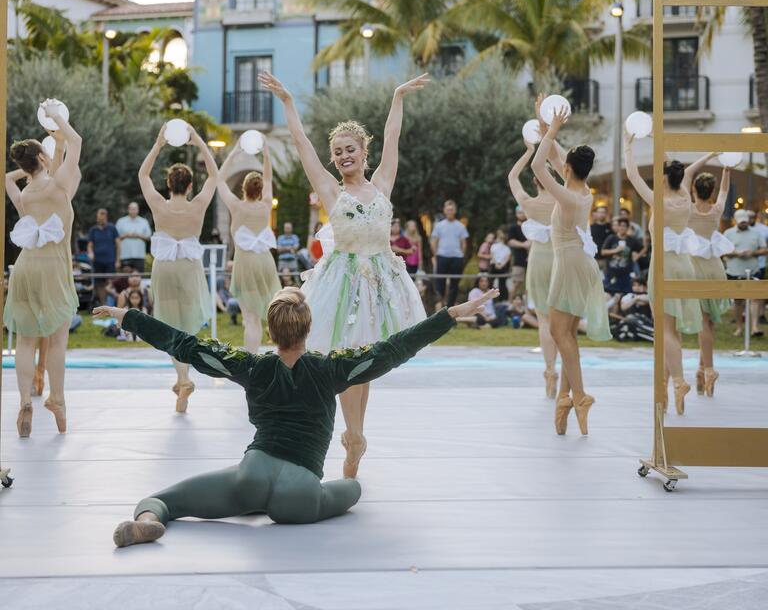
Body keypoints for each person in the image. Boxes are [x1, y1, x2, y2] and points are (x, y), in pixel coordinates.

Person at [94, 286, 495, 548]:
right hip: (301, 492)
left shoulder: (251, 367)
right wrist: (449, 315)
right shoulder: (330, 368)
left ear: (271, 330)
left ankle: (149, 521)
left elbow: (188, 347)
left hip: (251, 475)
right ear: (308, 328)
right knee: (352, 489)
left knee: (161, 500)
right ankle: (293, 495)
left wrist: (128, 317)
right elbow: (390, 351)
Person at [258, 70, 428, 478]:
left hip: (381, 282)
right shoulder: (332, 190)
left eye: (349, 148)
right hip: (343, 281)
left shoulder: (383, 183)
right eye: (337, 151)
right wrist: (288, 103)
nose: (342, 155)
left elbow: (393, 137)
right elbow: (300, 144)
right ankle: (352, 436)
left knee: (365, 360)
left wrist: (398, 96)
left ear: (363, 152)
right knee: (348, 358)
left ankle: (355, 434)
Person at [531, 106, 610, 435]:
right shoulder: (580, 190)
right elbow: (552, 154)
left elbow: (539, 163)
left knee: (558, 333)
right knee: (567, 336)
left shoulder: (566, 196)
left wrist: (551, 129)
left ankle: (579, 394)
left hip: (570, 264)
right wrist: (545, 123)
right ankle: (565, 398)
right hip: (581, 263)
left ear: (567, 168)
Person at [4, 107, 82, 436]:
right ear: (43, 158)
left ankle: (24, 401)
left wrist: (43, 154)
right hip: (52, 269)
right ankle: (58, 400)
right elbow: (77, 140)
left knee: (25, 340)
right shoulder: (58, 187)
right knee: (56, 340)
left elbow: (9, 177)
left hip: (25, 267)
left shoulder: (25, 193)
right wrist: (57, 118)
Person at [625, 132, 711, 414]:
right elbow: (688, 169)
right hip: (684, 265)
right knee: (671, 331)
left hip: (664, 266)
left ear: (663, 177)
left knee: (665, 330)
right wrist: (709, 156)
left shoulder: (657, 198)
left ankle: (678, 381)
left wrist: (629, 143)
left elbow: (632, 173)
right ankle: (665, 386)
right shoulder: (685, 193)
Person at [139, 123, 218, 413]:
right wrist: (198, 141)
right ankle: (184, 378)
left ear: (169, 185)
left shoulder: (159, 205)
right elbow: (214, 174)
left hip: (165, 268)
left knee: (170, 323)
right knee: (186, 325)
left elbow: (142, 175)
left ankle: (182, 378)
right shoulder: (197, 206)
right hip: (189, 268)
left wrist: (159, 143)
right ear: (189, 186)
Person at [216, 141, 281, 353]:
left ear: (243, 188)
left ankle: (251, 363)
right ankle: (284, 357)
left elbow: (219, 180)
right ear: (261, 190)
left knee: (250, 320)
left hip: (245, 263)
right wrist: (267, 155)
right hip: (265, 262)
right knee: (275, 315)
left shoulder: (236, 206)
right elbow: (269, 178)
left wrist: (234, 153)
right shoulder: (265, 206)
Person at [508, 139, 559, 398]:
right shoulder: (564, 200)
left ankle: (549, 371)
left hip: (539, 260)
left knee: (544, 320)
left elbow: (512, 176)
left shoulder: (529, 204)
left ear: (536, 181)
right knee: (560, 319)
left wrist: (529, 152)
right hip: (561, 259)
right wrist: (550, 144)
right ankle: (558, 368)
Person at [689, 170, 733, 397]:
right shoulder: (716, 210)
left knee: (703, 322)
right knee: (709, 323)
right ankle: (701, 369)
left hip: (696, 269)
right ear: (711, 191)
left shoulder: (687, 210)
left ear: (693, 189)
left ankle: (708, 369)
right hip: (715, 268)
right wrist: (726, 170)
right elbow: (725, 190)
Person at [724, 208, 766, 338]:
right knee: (737, 301)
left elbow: (764, 249)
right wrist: (737, 253)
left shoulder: (756, 233)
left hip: (753, 270)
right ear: (736, 221)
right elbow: (723, 252)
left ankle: (754, 327)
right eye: (741, 222)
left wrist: (753, 253)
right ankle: (739, 327)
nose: (744, 224)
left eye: (745, 222)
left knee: (755, 298)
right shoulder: (728, 233)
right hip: (734, 271)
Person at [430, 200, 469, 309]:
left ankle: (450, 307)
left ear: (455, 211)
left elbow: (464, 243)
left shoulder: (461, 226)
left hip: (456, 258)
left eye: (452, 209)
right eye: (448, 209)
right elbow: (434, 242)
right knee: (440, 283)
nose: (450, 211)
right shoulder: (439, 226)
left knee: (454, 284)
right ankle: (440, 306)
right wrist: (436, 254)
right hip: (442, 257)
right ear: (444, 210)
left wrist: (461, 255)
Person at [601, 218, 643, 308]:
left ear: (627, 228)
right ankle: (612, 319)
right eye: (620, 225)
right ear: (617, 227)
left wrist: (637, 256)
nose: (622, 228)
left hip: (626, 275)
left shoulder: (631, 240)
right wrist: (616, 250)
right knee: (610, 296)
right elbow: (603, 252)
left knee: (626, 296)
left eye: (624, 226)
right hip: (611, 274)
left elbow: (643, 248)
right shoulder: (611, 238)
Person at [87, 209, 120, 306]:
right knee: (99, 283)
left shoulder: (112, 228)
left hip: (110, 260)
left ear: (106, 217)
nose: (102, 218)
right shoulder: (93, 230)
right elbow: (90, 245)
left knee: (110, 282)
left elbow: (118, 244)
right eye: (100, 216)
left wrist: (118, 260)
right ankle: (103, 304)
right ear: (97, 218)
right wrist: (90, 252)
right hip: (97, 261)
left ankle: (111, 305)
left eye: (104, 215)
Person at [115, 202, 152, 273]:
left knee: (139, 277)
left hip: (139, 255)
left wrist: (138, 235)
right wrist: (126, 235)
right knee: (125, 279)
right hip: (125, 255)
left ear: (138, 210)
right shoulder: (121, 221)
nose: (133, 211)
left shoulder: (144, 222)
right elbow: (116, 238)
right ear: (128, 210)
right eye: (131, 209)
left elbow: (149, 237)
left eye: (135, 209)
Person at [507, 207, 530, 299]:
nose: (522, 214)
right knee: (516, 283)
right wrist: (524, 245)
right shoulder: (513, 228)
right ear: (516, 214)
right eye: (520, 212)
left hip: (532, 259)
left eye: (524, 212)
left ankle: (528, 307)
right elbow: (510, 241)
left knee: (530, 285)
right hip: (519, 259)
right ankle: (509, 305)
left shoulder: (531, 226)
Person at [490, 228, 512, 301]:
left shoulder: (507, 247)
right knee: (490, 282)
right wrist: (496, 263)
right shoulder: (494, 246)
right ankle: (490, 298)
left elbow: (508, 257)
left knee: (502, 284)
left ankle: (502, 299)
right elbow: (492, 255)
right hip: (494, 265)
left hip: (503, 266)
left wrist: (502, 265)